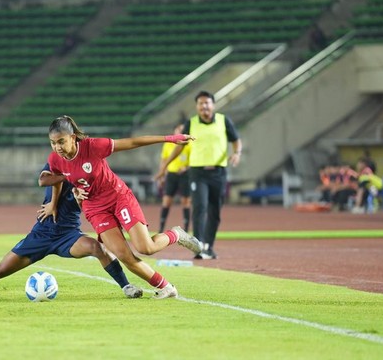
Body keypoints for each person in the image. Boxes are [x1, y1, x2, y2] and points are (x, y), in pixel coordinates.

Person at [45, 115, 203, 299]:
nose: (57, 147)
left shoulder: (93, 146)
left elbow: (133, 142)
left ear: (73, 138)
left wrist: (169, 138)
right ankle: (167, 287)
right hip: (95, 209)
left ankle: (177, 234)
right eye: (53, 143)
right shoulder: (55, 158)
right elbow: (56, 178)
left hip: (118, 197)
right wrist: (55, 201)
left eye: (61, 142)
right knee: (123, 254)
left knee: (146, 248)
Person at [0, 164, 143, 299]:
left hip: (68, 235)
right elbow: (44, 180)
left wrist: (80, 197)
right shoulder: (55, 164)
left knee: (97, 248)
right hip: (41, 235)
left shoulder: (88, 175)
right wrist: (54, 202)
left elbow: (92, 203)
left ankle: (126, 286)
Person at [155, 91, 242, 260]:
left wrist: (237, 152)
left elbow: (236, 139)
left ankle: (209, 246)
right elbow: (179, 146)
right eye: (200, 104)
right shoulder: (191, 123)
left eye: (207, 103)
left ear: (213, 105)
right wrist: (165, 166)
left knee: (215, 210)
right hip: (197, 172)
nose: (204, 106)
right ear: (197, 107)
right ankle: (199, 246)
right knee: (200, 206)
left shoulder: (224, 121)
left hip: (218, 172)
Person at [155, 123, 191, 233]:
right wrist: (161, 175)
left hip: (185, 175)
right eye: (178, 129)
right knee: (166, 202)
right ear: (174, 131)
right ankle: (161, 228)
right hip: (171, 175)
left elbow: (194, 161)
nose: (180, 131)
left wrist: (186, 168)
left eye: (182, 129)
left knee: (186, 202)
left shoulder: (189, 144)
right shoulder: (168, 145)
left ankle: (186, 229)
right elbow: (164, 160)